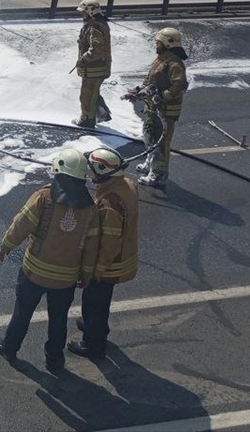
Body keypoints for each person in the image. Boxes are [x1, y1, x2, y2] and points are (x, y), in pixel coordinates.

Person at [0, 148, 96, 372]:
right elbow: (91, 247)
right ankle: (54, 360)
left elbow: (22, 224)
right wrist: (86, 275)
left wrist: (6, 245)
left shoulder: (44, 196)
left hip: (34, 273)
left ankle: (10, 348)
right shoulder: (91, 208)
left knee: (22, 313)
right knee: (58, 320)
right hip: (66, 279)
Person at [68, 147, 139, 359]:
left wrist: (95, 271)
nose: (90, 176)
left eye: (93, 171)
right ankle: (94, 326)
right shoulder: (127, 185)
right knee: (101, 301)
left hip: (108, 265)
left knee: (95, 301)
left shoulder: (109, 203)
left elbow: (109, 243)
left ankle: (93, 343)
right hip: (123, 258)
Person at [124, 27, 188, 188]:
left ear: (167, 43)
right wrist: (137, 92)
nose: (156, 44)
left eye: (158, 42)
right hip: (153, 108)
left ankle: (158, 175)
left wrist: (163, 97)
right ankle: (150, 164)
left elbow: (180, 85)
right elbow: (150, 82)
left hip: (165, 111)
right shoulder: (161, 59)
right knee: (151, 138)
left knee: (161, 143)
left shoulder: (174, 63)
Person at [73, 0, 112, 128]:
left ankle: (87, 121)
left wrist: (83, 59)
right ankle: (102, 114)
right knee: (92, 93)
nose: (81, 14)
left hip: (95, 68)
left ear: (90, 11)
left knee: (87, 96)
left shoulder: (95, 27)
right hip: (93, 68)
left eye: (83, 11)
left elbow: (96, 50)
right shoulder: (93, 24)